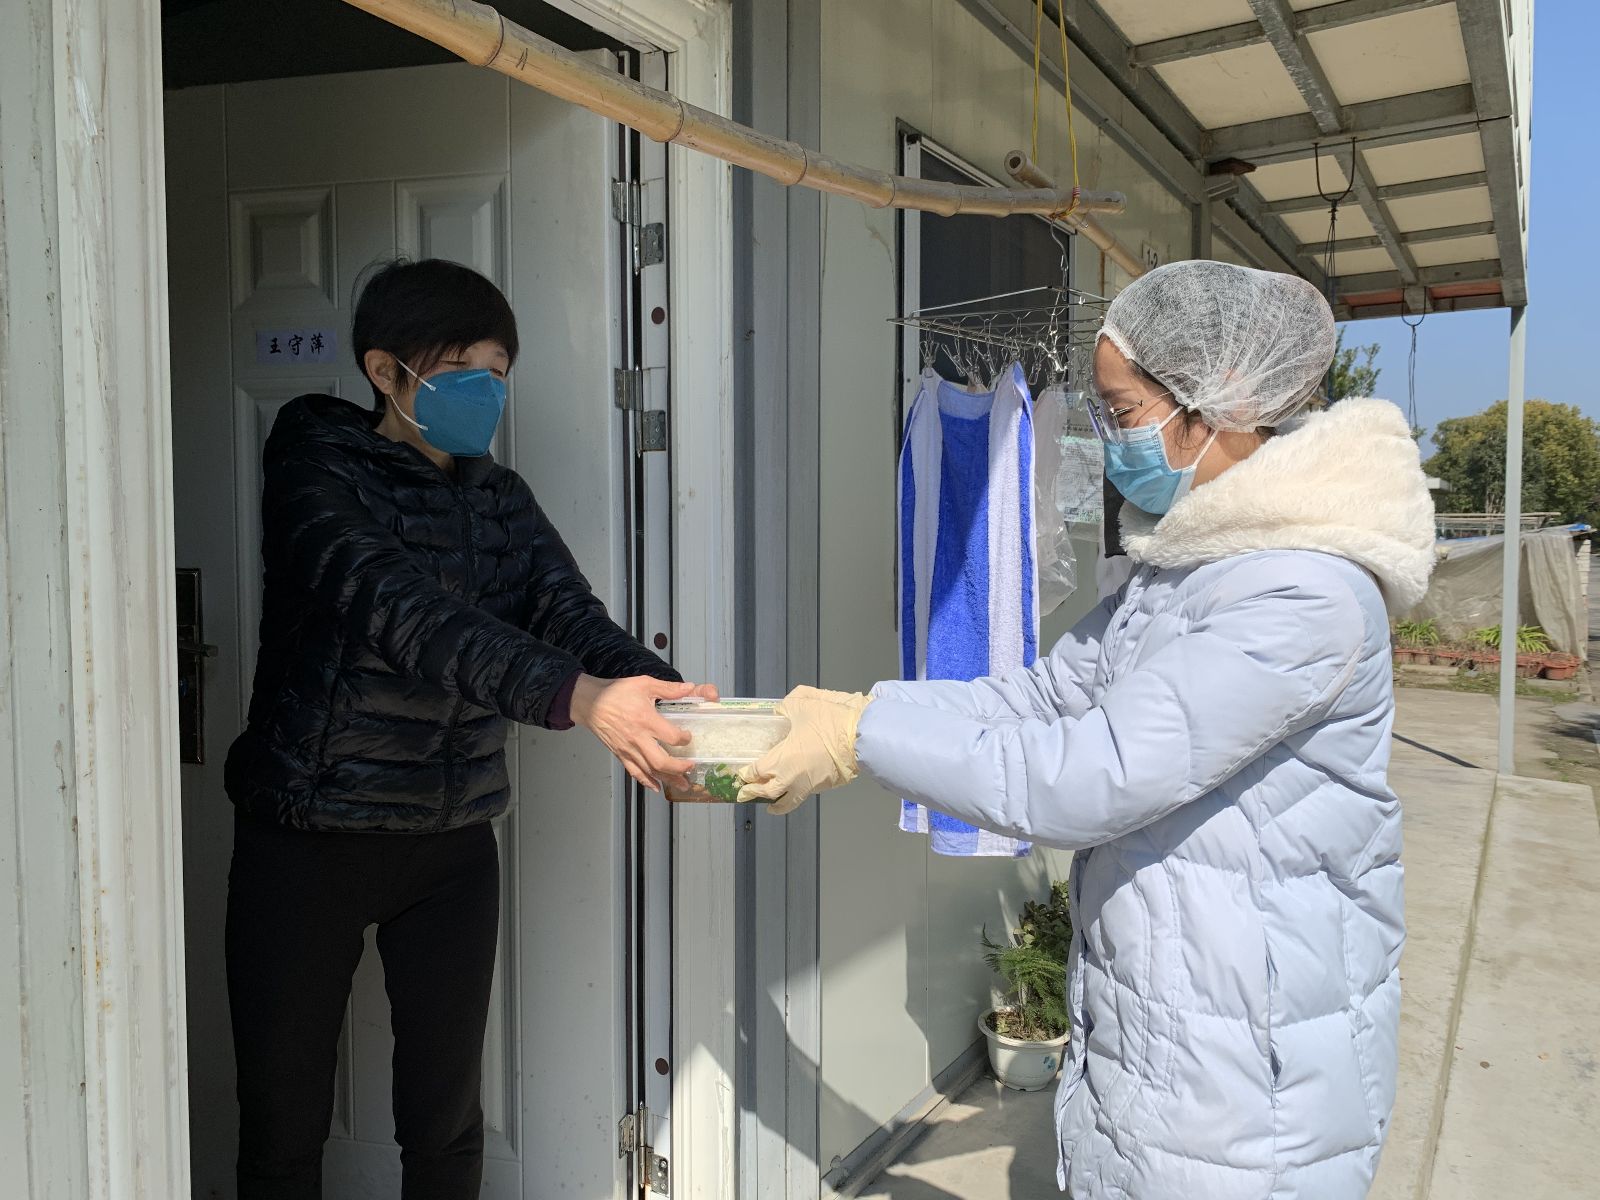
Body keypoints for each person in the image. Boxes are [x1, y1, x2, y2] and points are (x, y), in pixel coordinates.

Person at [738, 261, 1436, 1198]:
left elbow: (1087, 776)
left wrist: (861, 739)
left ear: (1220, 404)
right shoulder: (1186, 569)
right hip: (1171, 1028)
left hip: (1248, 1079)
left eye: (1123, 411)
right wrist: (855, 712)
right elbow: (1043, 697)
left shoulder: (1302, 593)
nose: (1108, 440)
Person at [223, 258, 713, 1200]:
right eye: (460, 373)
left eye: (497, 372)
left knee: (446, 1121)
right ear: (386, 372)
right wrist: (581, 699)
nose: (484, 393)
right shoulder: (314, 470)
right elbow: (403, 614)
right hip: (307, 837)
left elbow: (568, 615)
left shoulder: (500, 498)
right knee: (282, 1124)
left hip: (449, 845)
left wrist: (674, 705)